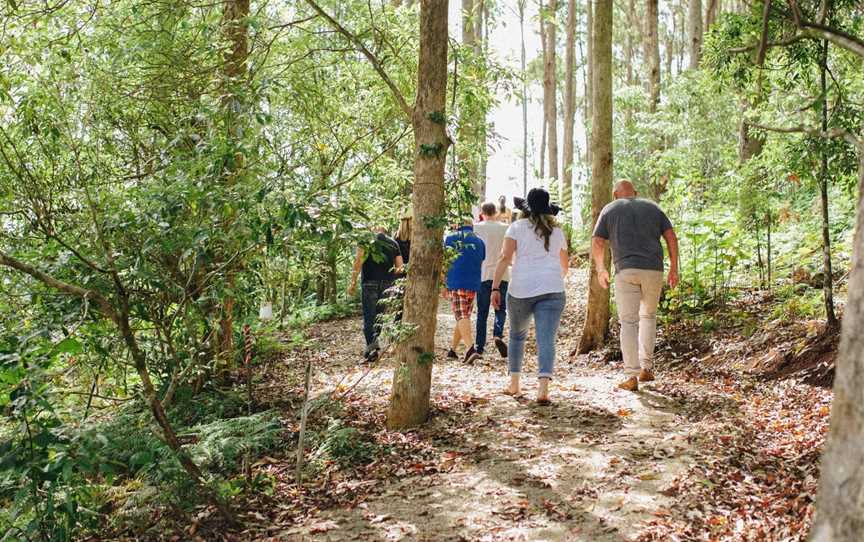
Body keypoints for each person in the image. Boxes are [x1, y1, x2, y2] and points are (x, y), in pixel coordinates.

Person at [592, 179, 679, 392]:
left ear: (615, 195)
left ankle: (631, 375)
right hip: (653, 270)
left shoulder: (609, 209)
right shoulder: (653, 207)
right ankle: (646, 368)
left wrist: (601, 269)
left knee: (629, 322)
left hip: (626, 271)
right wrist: (674, 267)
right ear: (635, 192)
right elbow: (671, 237)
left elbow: (597, 241)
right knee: (648, 316)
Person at [491, 188, 568, 405]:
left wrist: (495, 287)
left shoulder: (516, 227)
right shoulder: (558, 232)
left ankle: (514, 384)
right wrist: (552, 278)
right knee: (546, 339)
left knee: (517, 336)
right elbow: (564, 266)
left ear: (525, 209)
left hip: (520, 289)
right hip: (553, 289)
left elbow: (505, 257)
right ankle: (543, 388)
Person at [348, 228, 404, 362]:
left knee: (369, 316)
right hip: (387, 284)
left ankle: (372, 349)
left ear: (374, 229)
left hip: (369, 283)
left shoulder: (366, 242)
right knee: (379, 317)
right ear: (385, 230)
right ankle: (373, 345)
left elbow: (358, 262)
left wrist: (353, 282)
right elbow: (400, 267)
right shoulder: (393, 243)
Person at [443, 219, 485, 364]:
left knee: (461, 316)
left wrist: (443, 283)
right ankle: (452, 350)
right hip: (473, 283)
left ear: (457, 226)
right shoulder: (480, 242)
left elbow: (445, 262)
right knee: (463, 316)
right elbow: (480, 263)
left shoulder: (450, 238)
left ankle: (469, 349)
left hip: (456, 282)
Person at [474, 201, 510, 358]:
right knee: (500, 309)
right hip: (502, 274)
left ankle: (479, 346)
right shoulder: (505, 228)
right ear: (496, 212)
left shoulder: (476, 227)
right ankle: (497, 334)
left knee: (482, 312)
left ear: (482, 212)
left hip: (483, 273)